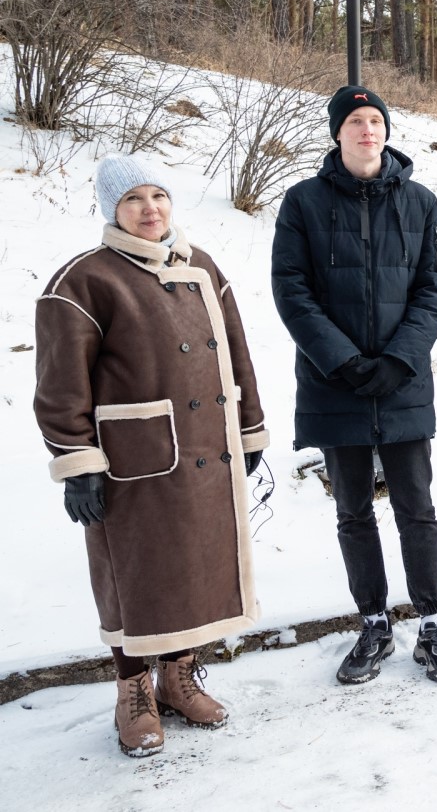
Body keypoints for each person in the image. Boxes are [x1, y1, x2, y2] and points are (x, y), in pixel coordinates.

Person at [35, 155, 269, 757]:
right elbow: (62, 384)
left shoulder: (203, 266)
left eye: (158, 195)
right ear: (111, 208)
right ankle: (133, 689)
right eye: (133, 198)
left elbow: (236, 354)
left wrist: (248, 432)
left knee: (194, 566)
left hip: (205, 449)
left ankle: (178, 676)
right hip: (130, 461)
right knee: (135, 575)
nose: (149, 209)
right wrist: (77, 463)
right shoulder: (84, 280)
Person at [271, 85, 437, 685]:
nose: (367, 130)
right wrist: (345, 362)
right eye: (356, 120)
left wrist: (401, 360)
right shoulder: (302, 202)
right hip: (336, 385)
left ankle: (432, 623)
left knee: (417, 508)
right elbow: (291, 290)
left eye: (376, 120)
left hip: (402, 383)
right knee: (354, 510)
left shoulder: (421, 202)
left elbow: (435, 289)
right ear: (337, 132)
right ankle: (374, 622)